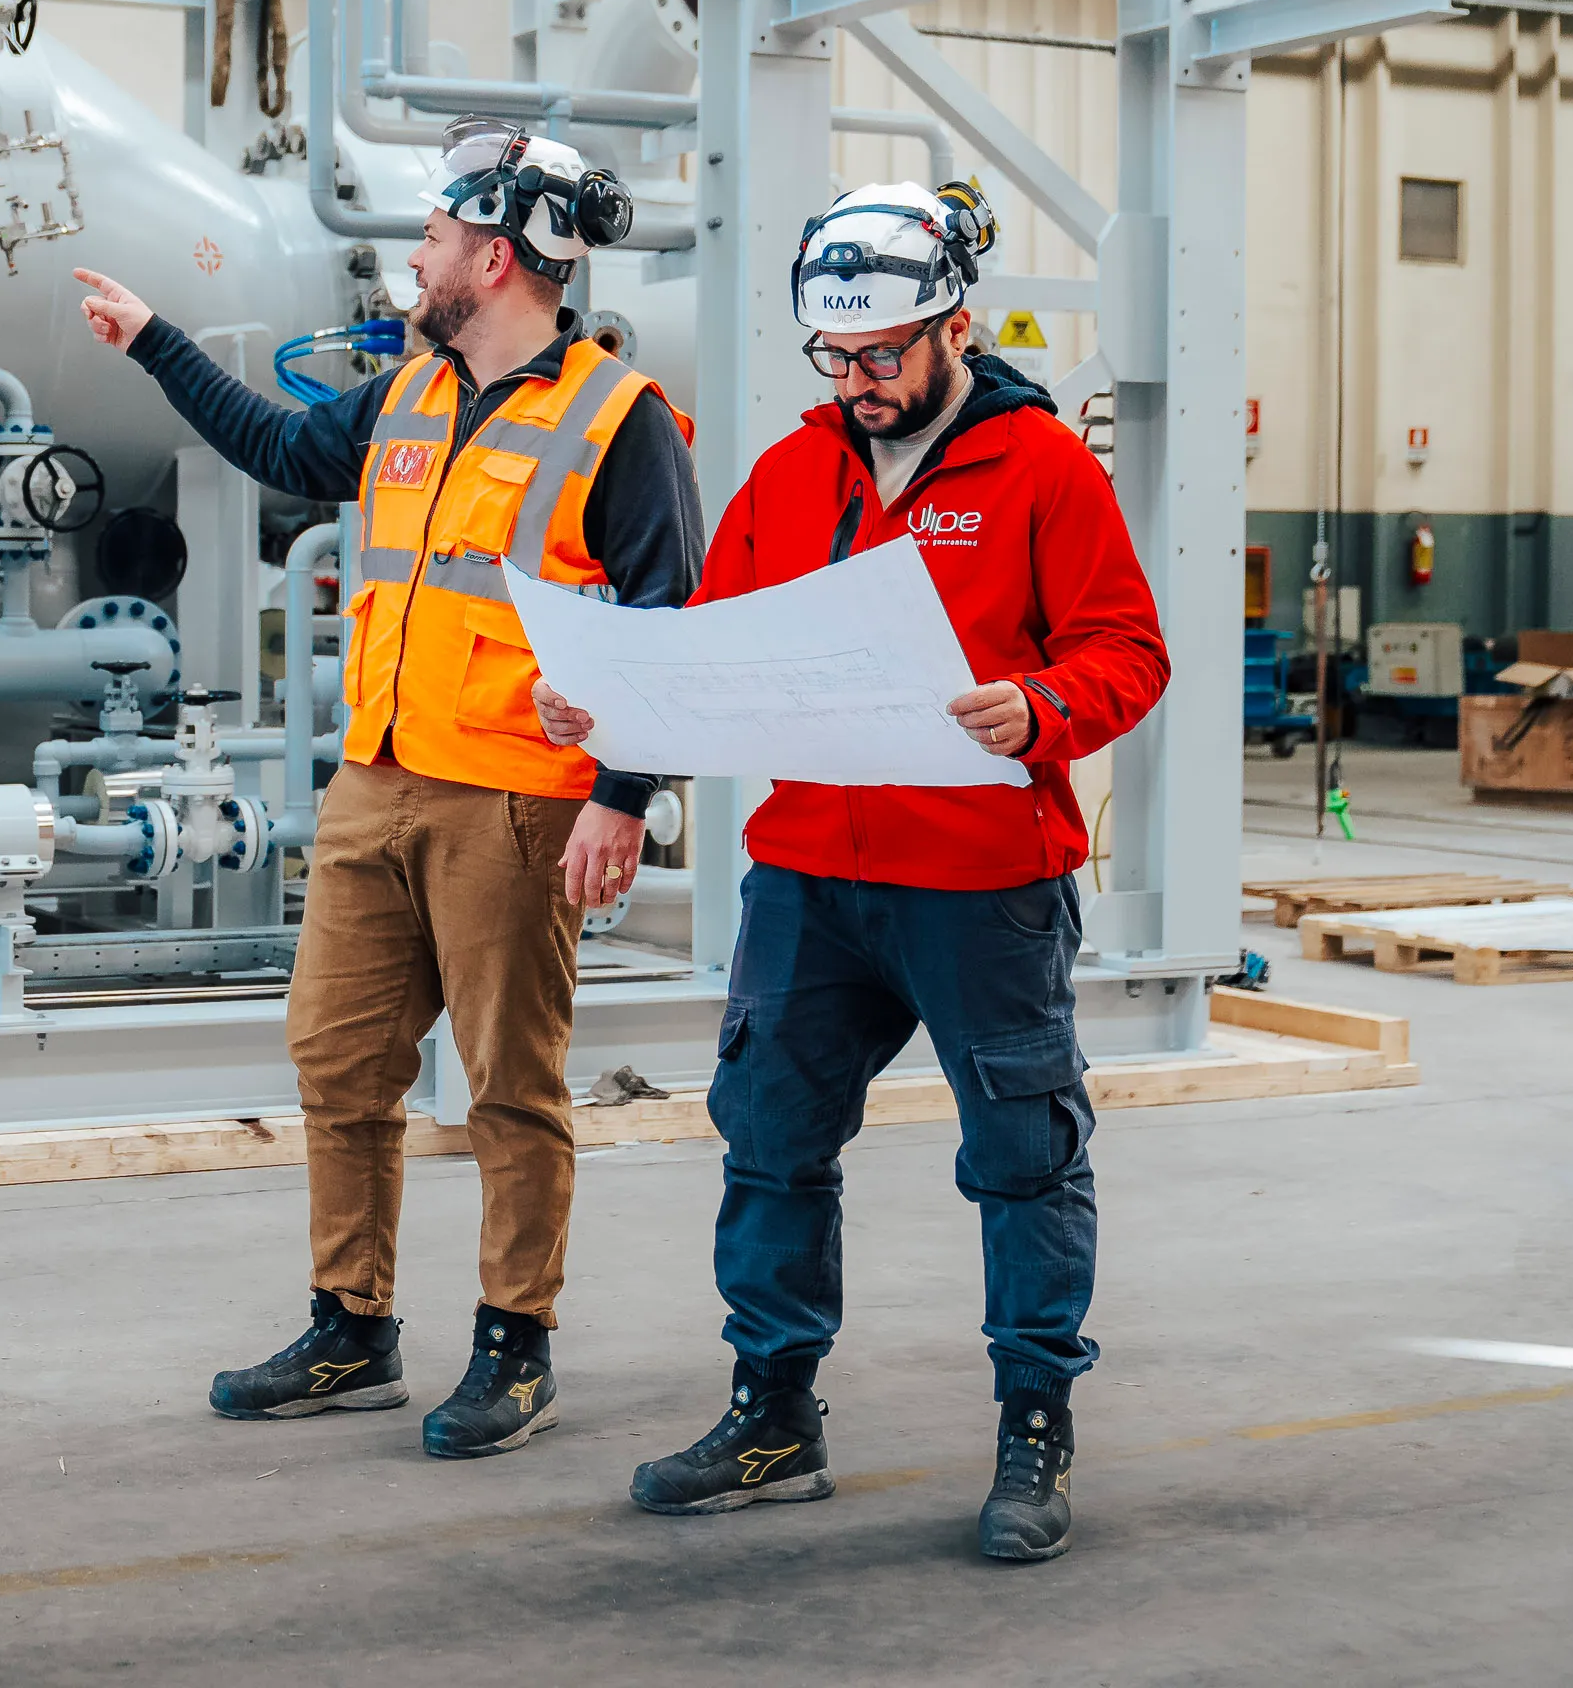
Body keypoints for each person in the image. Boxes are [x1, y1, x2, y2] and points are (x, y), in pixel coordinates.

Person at [534, 181, 1169, 1559]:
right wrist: (610, 723)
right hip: (811, 877)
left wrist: (1041, 710)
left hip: (982, 880)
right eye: (835, 359)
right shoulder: (789, 474)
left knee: (1020, 1154)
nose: (858, 382)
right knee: (767, 1141)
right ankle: (773, 1410)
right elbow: (706, 655)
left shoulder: (1044, 471)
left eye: (882, 356)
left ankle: (1035, 1429)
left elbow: (1129, 650)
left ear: (954, 328)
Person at [72, 118, 704, 1458]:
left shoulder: (617, 423)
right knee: (337, 1056)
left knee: (509, 1086)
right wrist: (159, 340)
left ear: (494, 253)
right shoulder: (407, 395)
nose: (411, 256)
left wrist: (625, 793)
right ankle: (351, 1327)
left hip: (518, 802)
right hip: (380, 778)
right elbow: (283, 448)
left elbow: (666, 619)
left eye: (429, 236)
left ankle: (513, 1348)